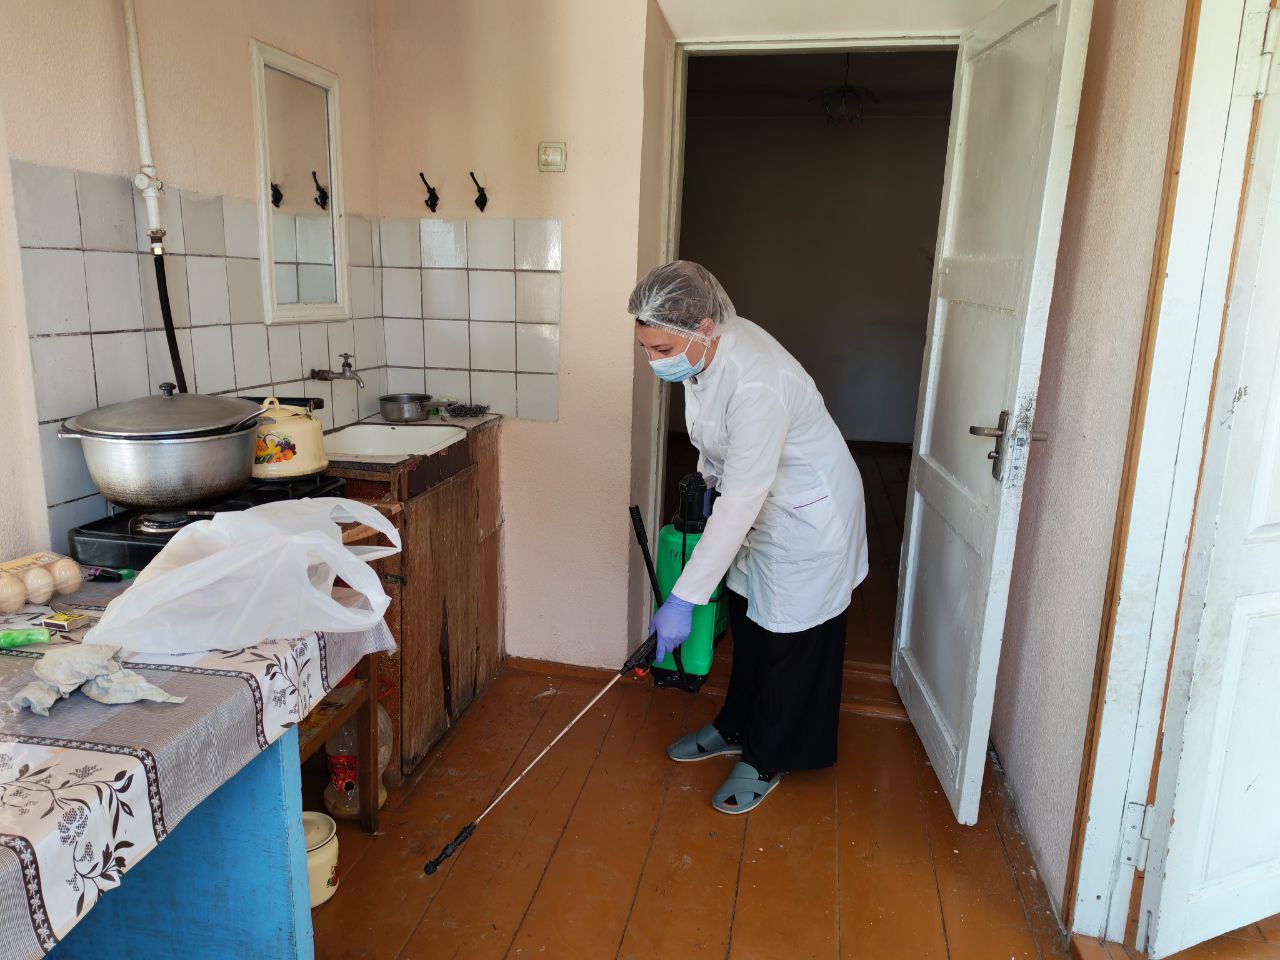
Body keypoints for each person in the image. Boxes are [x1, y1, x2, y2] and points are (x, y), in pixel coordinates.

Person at [631, 260, 868, 814]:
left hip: (804, 522)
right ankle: (737, 725)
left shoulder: (757, 380)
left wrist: (683, 598)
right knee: (750, 623)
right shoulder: (703, 355)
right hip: (760, 509)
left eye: (661, 350)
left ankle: (768, 755)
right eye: (645, 348)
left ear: (703, 328)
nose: (653, 361)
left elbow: (742, 499)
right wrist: (708, 488)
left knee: (788, 642)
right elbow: (716, 441)